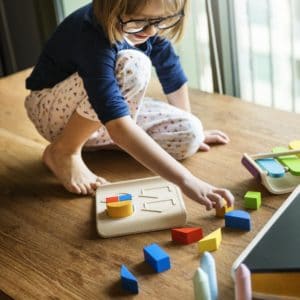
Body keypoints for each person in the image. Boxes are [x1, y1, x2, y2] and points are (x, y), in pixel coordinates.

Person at [25, 0, 234, 210]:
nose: (151, 30)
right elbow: (117, 126)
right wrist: (186, 181)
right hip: (52, 112)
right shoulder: (91, 32)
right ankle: (64, 151)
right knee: (134, 66)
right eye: (141, 20)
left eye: (160, 20)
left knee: (191, 133)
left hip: (101, 110)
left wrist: (188, 119)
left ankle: (119, 141)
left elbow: (170, 69)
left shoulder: (147, 24)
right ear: (113, 8)